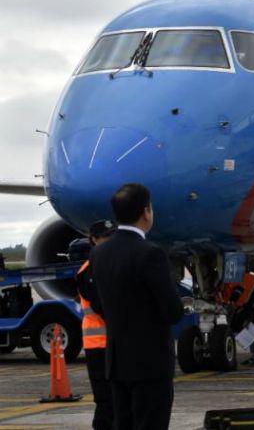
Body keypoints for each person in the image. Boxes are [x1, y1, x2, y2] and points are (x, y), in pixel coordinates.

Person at [91, 184, 183, 430]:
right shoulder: (150, 253)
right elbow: (172, 312)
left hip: (117, 364)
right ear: (146, 212)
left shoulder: (99, 253)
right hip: (150, 366)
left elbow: (100, 304)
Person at [75, 220, 116, 430]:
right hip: (98, 345)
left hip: (117, 343)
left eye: (112, 236)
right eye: (105, 237)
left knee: (120, 401)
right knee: (106, 402)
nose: (110, 241)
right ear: (93, 240)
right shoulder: (88, 270)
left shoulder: (115, 263)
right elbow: (104, 307)